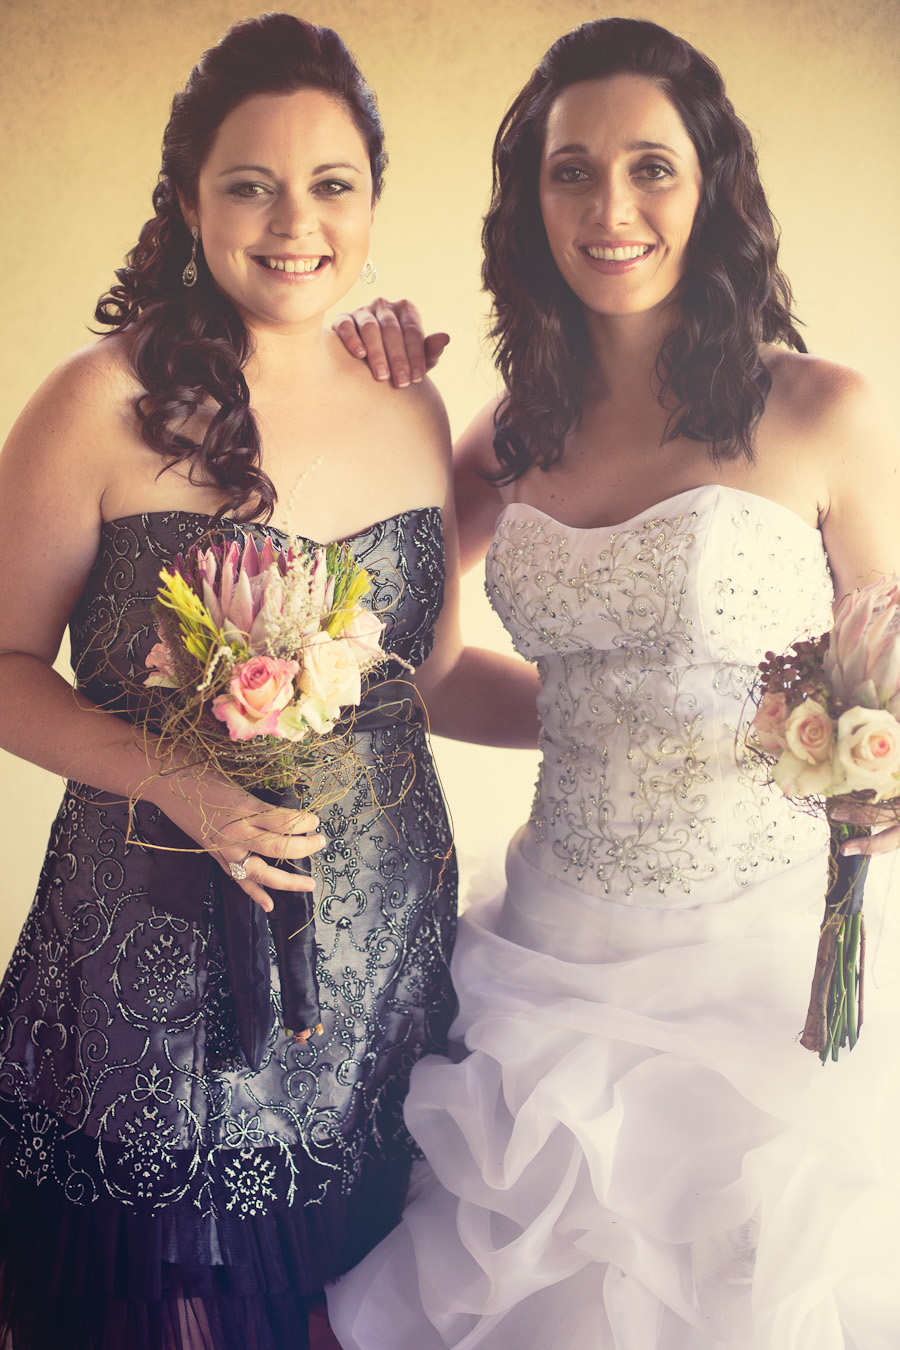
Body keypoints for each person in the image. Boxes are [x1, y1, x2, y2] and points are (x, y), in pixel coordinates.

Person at [327, 17, 900, 1348]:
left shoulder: (822, 412)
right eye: (570, 172)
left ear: (712, 189)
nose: (610, 209)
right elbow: (428, 668)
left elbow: (890, 671)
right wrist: (364, 391)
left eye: (651, 168)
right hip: (553, 951)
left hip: (763, 969)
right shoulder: (508, 435)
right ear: (530, 206)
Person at [0, 13, 538, 1350]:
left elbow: (429, 673)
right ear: (189, 203)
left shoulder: (406, 399)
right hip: (160, 982)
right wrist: (176, 777)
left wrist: (613, 717)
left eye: (331, 184)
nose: (295, 222)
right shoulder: (95, 403)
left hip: (381, 966)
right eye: (251, 184)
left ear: (371, 205)